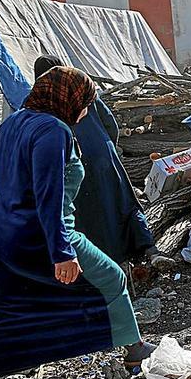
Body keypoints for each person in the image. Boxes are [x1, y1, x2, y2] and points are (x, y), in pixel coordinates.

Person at [0, 67, 155, 379]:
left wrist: (14, 197)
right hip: (38, 233)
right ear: (70, 100)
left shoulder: (16, 120)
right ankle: (135, 352)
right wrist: (61, 252)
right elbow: (49, 195)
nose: (87, 110)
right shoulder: (55, 131)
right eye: (86, 103)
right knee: (110, 277)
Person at [33, 56, 172, 270]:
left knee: (91, 214)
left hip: (74, 161)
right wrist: (108, 149)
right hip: (103, 153)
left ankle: (114, 262)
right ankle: (150, 250)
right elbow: (110, 124)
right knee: (123, 201)